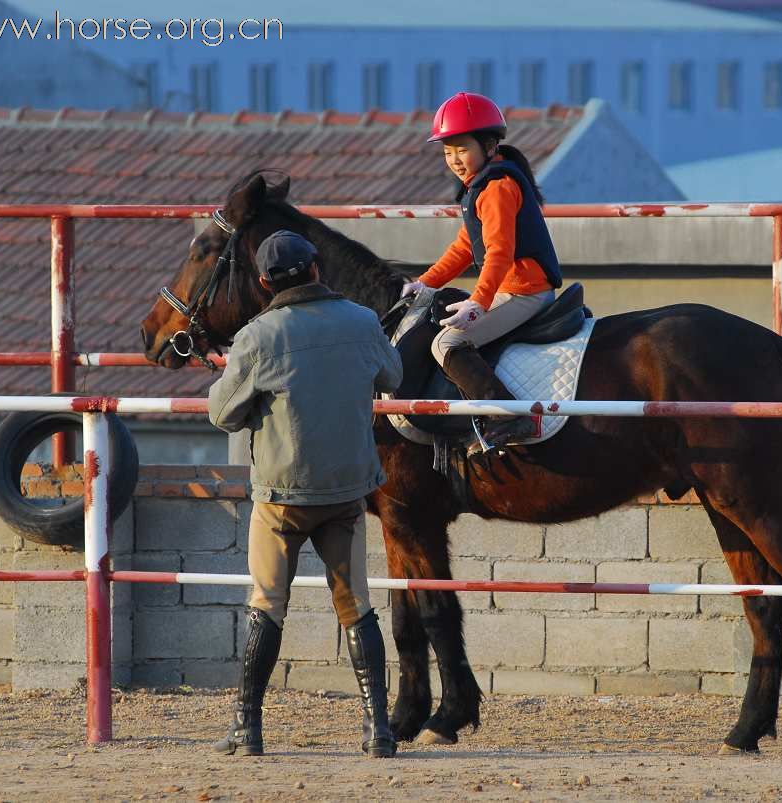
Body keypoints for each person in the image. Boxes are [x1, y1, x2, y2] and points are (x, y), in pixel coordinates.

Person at [207, 229, 403, 758]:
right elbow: (393, 373)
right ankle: (377, 730)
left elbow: (222, 414)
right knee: (357, 607)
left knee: (267, 604)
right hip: (347, 491)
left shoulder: (258, 335)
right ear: (317, 268)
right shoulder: (362, 322)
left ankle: (248, 728)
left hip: (281, 496)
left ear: (267, 282)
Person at [400, 91, 563, 451]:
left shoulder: (497, 187)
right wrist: (426, 283)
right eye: (447, 152)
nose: (455, 160)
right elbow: (464, 247)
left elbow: (499, 253)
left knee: (447, 342)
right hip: (512, 286)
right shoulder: (482, 184)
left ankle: (513, 417)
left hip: (525, 290)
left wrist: (479, 301)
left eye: (462, 149)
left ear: (489, 145)